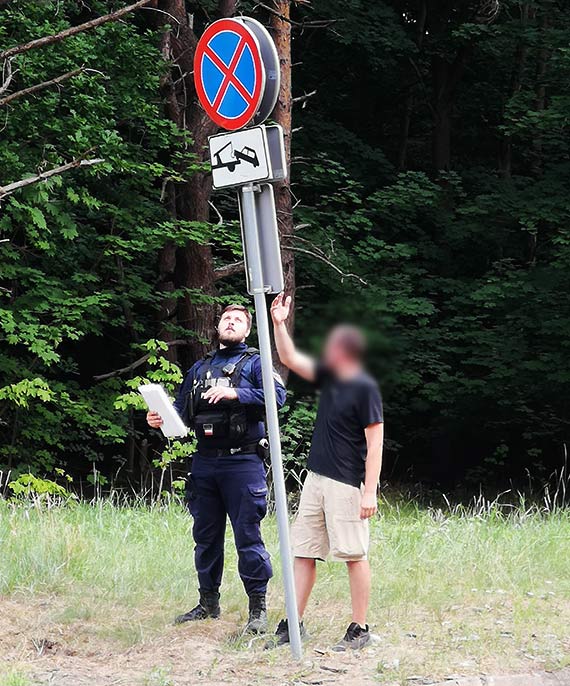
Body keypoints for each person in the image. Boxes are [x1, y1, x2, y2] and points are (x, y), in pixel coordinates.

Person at [147, 304, 286, 634]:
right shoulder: (199, 368)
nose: (231, 322)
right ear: (218, 326)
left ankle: (258, 609)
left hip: (243, 461)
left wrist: (234, 392)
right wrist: (158, 419)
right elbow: (180, 414)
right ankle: (208, 603)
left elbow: (277, 396)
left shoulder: (256, 362)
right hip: (205, 462)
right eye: (226, 318)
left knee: (248, 537)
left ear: (247, 331)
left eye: (238, 320)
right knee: (205, 537)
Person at [268, 293, 384, 651]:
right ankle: (293, 624)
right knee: (303, 552)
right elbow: (288, 358)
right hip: (315, 479)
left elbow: (376, 441)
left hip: (346, 483)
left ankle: (359, 629)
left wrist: (369, 491)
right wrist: (278, 323)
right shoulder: (330, 378)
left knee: (353, 555)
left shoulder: (365, 387)